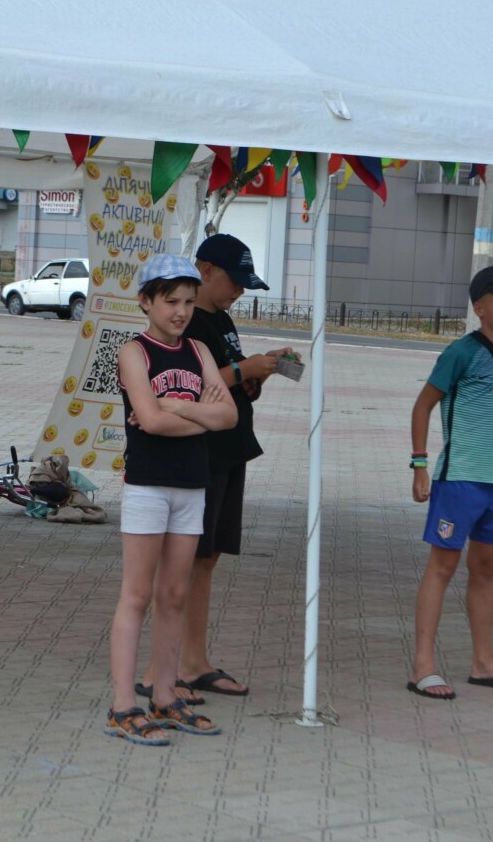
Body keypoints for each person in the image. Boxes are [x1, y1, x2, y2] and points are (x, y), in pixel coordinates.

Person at [135, 235, 288, 704]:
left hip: (229, 447)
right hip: (198, 453)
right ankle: (159, 670)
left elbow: (221, 381)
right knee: (183, 561)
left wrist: (251, 378)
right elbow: (186, 387)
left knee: (208, 556)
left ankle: (193, 660)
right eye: (232, 281)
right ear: (203, 268)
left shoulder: (219, 319)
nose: (238, 292)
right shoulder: (182, 328)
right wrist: (244, 371)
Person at [105, 254, 237, 745]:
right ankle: (123, 704)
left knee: (175, 594)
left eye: (187, 301)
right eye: (170, 302)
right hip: (148, 485)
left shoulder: (200, 351)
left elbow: (230, 418)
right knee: (137, 595)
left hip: (191, 484)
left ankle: (166, 693)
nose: (180, 311)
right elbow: (150, 421)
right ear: (146, 301)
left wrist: (175, 405)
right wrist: (195, 411)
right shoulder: (134, 353)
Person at [407, 265, 493, 700]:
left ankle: (484, 662)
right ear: (480, 309)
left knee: (485, 569)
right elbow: (423, 406)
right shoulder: (461, 352)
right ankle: (423, 665)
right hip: (459, 479)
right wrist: (420, 464)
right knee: (442, 567)